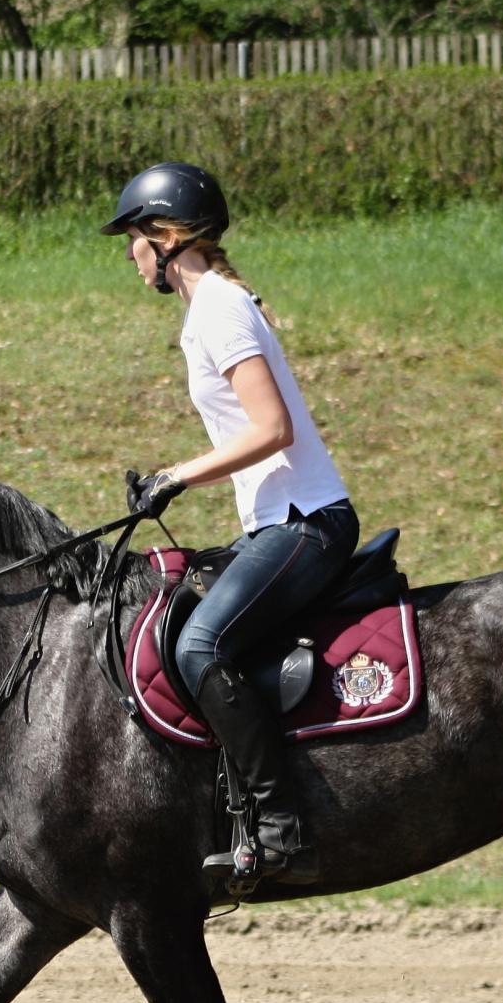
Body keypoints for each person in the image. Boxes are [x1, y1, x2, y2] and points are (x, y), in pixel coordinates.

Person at [103, 161, 358, 888]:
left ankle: (279, 827)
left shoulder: (218, 308)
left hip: (306, 523)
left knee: (200, 645)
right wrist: (173, 480)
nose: (129, 254)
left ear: (164, 236)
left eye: (133, 238)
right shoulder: (211, 308)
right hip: (277, 520)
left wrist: (179, 476)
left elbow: (272, 428)